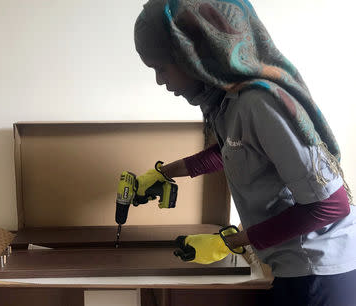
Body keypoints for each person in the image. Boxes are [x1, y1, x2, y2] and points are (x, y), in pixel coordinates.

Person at [133, 0, 356, 305]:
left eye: (161, 68)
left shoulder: (260, 104)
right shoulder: (230, 101)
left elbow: (331, 205)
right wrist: (162, 173)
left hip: (320, 272)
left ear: (192, 54)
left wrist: (227, 242)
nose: (160, 80)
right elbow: (230, 150)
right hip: (294, 267)